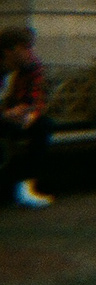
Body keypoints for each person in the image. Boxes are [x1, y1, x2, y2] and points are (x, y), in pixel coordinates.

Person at [0, 27, 52, 208]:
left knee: (43, 125)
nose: (30, 52)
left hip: (13, 119)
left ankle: (26, 187)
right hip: (3, 117)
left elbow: (36, 99)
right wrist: (4, 115)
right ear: (9, 50)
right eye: (25, 48)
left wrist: (29, 114)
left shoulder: (32, 66)